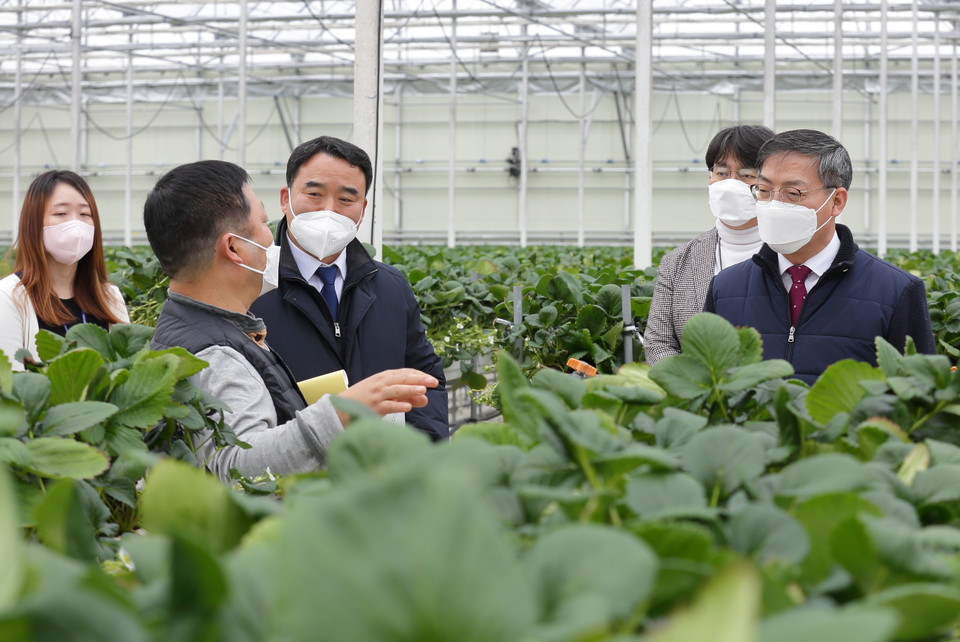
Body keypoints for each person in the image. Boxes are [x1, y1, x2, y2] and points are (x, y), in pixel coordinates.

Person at [143, 160, 439, 482]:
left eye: (345, 198)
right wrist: (341, 411)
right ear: (234, 247)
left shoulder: (212, 326)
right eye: (261, 221)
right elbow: (238, 466)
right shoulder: (215, 355)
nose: (270, 238)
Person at [249, 136, 448, 440]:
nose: (328, 211)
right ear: (284, 198)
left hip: (383, 471)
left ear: (362, 208)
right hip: (291, 478)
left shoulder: (391, 287)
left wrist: (421, 455)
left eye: (345, 199)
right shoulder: (251, 288)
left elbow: (426, 379)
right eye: (314, 194)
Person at [703, 128, 935, 384]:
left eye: (793, 194)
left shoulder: (896, 291)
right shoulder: (726, 287)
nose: (774, 205)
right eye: (765, 191)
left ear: (836, 201)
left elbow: (918, 396)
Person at [644, 125, 775, 364]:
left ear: (771, 183)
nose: (731, 184)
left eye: (747, 175)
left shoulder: (793, 254)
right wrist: (693, 385)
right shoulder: (678, 261)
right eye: (722, 173)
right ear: (710, 177)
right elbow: (658, 343)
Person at [0, 170, 129, 370]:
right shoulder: (8, 297)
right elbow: (9, 386)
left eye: (85, 214)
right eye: (61, 213)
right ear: (33, 224)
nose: (76, 224)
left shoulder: (110, 298)